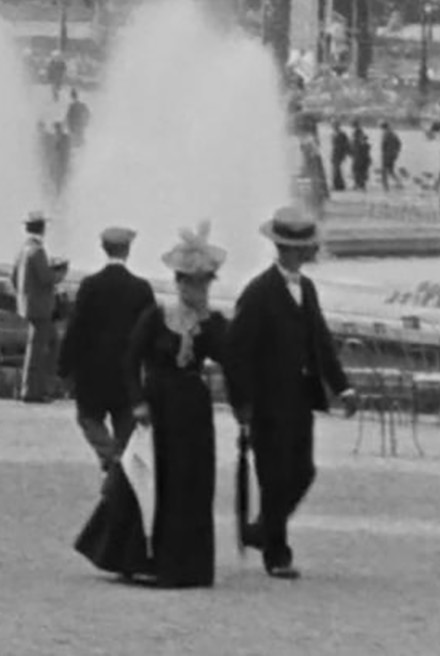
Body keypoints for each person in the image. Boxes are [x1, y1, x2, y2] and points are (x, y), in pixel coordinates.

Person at [74, 222, 230, 589]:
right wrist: (138, 402)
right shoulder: (158, 316)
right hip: (158, 405)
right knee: (146, 479)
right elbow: (131, 360)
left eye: (205, 283)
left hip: (192, 410)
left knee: (189, 485)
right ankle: (133, 555)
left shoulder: (211, 323)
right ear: (180, 282)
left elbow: (229, 358)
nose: (199, 289)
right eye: (193, 283)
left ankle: (184, 564)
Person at [225, 207, 355, 581]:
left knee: (303, 471)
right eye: (300, 249)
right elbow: (236, 352)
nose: (306, 254)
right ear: (282, 249)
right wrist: (242, 403)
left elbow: (321, 342)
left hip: (300, 397)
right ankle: (276, 554)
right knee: (273, 476)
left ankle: (261, 530)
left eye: (307, 248)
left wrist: (342, 386)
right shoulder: (259, 292)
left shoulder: (307, 288)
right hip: (267, 402)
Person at [58, 226, 156, 471]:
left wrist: (64, 366)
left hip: (93, 371)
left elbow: (76, 328)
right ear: (129, 250)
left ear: (103, 248)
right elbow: (152, 336)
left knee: (88, 418)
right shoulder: (141, 288)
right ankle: (121, 462)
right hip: (127, 374)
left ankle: (110, 457)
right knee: (126, 426)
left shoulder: (90, 285)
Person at [12, 210, 68, 403]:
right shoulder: (37, 250)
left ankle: (42, 387)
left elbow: (13, 277)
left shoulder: (24, 249)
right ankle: (32, 391)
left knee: (49, 343)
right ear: (42, 229)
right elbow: (46, 278)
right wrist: (60, 273)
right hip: (40, 308)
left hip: (29, 305)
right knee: (36, 350)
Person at [379, 121, 402, 192]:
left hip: (386, 155)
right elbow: (399, 143)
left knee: (384, 171)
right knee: (391, 171)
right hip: (393, 155)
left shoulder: (385, 134)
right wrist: (396, 152)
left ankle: (385, 187)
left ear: (382, 127)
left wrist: (383, 153)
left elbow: (383, 145)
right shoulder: (393, 133)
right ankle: (399, 183)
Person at [350, 120, 372, 192]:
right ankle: (358, 185)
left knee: (357, 170)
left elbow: (358, 143)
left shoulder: (358, 132)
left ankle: (360, 185)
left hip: (359, 157)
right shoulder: (358, 132)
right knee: (358, 171)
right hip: (359, 156)